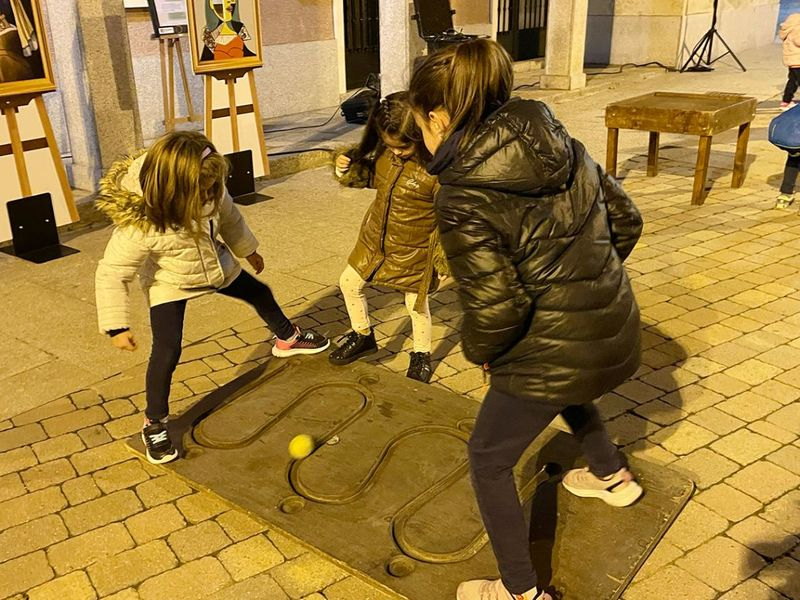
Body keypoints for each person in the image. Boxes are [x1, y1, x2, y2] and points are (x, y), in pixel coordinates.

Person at [409, 39, 644, 600]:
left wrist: (484, 354)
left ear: (439, 119)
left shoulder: (461, 194)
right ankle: (612, 476)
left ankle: (519, 591)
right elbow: (628, 223)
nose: (420, 136)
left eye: (420, 125)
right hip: (611, 330)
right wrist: (584, 283)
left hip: (552, 346)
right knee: (559, 380)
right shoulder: (568, 147)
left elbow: (498, 310)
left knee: (488, 459)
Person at [95, 131, 329, 465]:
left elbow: (231, 219)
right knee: (167, 350)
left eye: (212, 187)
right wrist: (116, 326)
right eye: (201, 190)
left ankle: (287, 338)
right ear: (173, 188)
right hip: (170, 281)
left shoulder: (212, 189)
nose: (209, 194)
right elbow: (112, 271)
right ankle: (154, 422)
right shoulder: (143, 222)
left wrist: (249, 252)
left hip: (215, 266)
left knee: (260, 293)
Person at [330, 91, 446, 383]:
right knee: (349, 282)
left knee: (416, 306)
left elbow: (451, 218)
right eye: (389, 145)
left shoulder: (437, 171)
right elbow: (372, 178)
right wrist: (347, 168)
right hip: (375, 241)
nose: (395, 151)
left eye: (402, 147)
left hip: (415, 250)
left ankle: (421, 353)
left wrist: (443, 262)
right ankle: (363, 334)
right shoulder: (386, 154)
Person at [781, 13, 800, 110]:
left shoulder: (788, 30)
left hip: (792, 61)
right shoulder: (797, 29)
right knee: (795, 81)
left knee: (792, 81)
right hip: (798, 61)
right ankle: (786, 101)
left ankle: (786, 101)